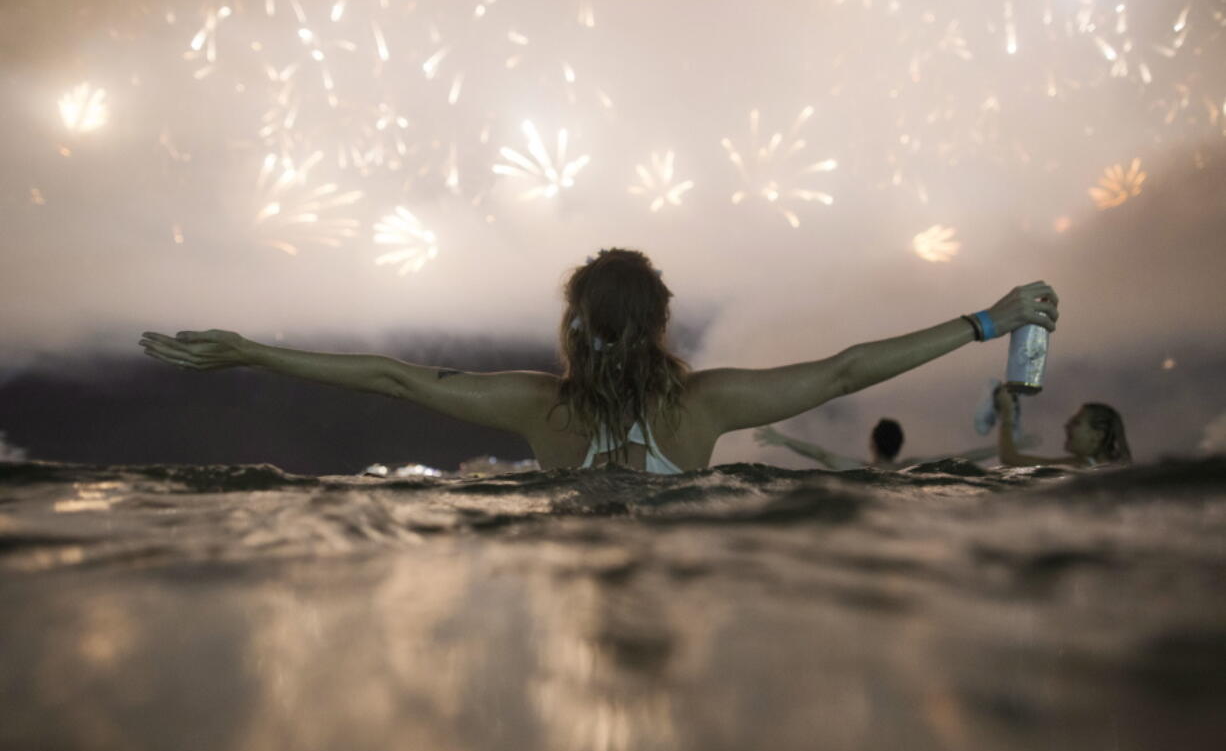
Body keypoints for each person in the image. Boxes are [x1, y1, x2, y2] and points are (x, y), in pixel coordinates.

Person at [139, 248, 1058, 474]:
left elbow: (389, 375)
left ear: (573, 327)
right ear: (660, 322)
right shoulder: (704, 406)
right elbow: (849, 370)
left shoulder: (539, 409)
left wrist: (250, 352)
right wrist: (987, 320)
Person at [754, 417, 1031, 471]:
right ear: (900, 445)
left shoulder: (857, 469)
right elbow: (966, 456)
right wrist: (1006, 446)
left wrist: (783, 439)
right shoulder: (912, 467)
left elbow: (821, 455)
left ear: (871, 442)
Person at [994, 388, 1130, 467]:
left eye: (1076, 423)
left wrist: (1006, 413)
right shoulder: (1115, 466)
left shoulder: (1082, 464)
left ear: (1098, 435)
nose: (1066, 426)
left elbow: (1009, 458)